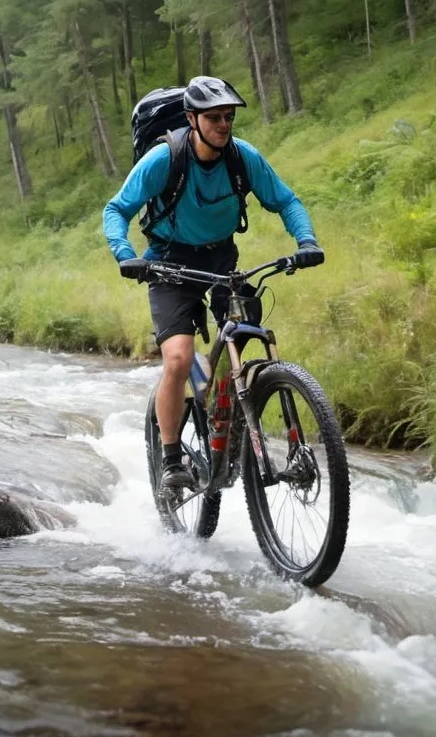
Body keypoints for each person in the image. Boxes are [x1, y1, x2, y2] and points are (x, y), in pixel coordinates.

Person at [102, 75, 323, 493]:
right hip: (169, 264)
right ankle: (171, 460)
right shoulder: (164, 159)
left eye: (229, 117)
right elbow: (117, 209)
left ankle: (222, 410)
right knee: (178, 359)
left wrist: (306, 240)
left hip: (222, 259)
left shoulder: (243, 158)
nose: (224, 125)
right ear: (192, 119)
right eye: (214, 117)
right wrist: (125, 255)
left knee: (242, 337)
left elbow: (287, 201)